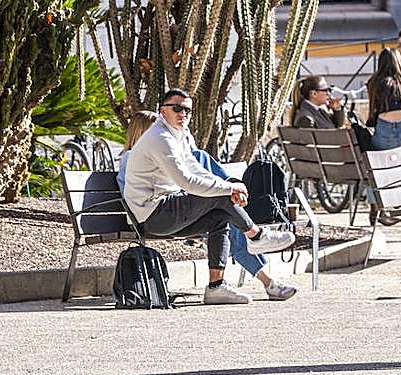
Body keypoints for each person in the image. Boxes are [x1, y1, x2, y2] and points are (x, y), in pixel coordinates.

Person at [120, 89, 297, 305]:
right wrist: (229, 189)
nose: (182, 113)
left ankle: (216, 287)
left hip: (166, 210)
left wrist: (229, 187)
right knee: (220, 196)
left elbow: (195, 168)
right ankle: (256, 236)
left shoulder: (179, 134)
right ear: (162, 111)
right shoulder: (160, 137)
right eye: (176, 108)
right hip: (153, 216)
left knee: (220, 216)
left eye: (187, 109)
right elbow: (186, 181)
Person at [365, 48, 401, 157]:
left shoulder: (373, 83)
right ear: (399, 61)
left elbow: (374, 110)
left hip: (384, 126)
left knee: (386, 168)